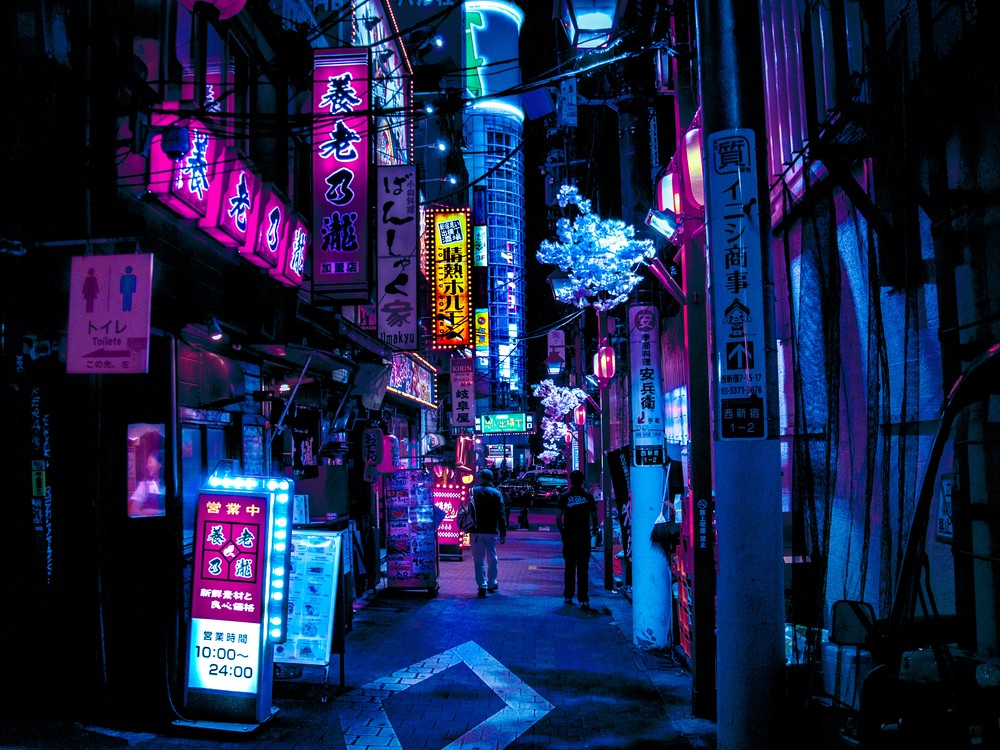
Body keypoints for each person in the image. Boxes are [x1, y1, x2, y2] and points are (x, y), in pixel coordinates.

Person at [556, 469, 598, 609]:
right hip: (583, 536)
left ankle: (568, 595)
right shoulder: (588, 497)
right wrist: (594, 528)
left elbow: (558, 517)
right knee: (583, 568)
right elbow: (594, 516)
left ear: (571, 480)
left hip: (569, 536)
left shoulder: (564, 496)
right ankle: (583, 598)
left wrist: (562, 532)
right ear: (583, 481)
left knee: (569, 567)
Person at [470, 468, 506, 597]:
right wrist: (503, 532)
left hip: (476, 530)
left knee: (478, 560)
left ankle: (482, 586)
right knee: (492, 557)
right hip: (491, 530)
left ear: (481, 478)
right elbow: (501, 514)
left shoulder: (473, 491)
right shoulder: (496, 493)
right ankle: (492, 582)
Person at [130, 449, 165, 517]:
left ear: (160, 464)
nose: (147, 466)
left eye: (150, 462)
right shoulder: (144, 485)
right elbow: (133, 511)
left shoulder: (173, 485)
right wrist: (161, 512)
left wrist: (147, 511)